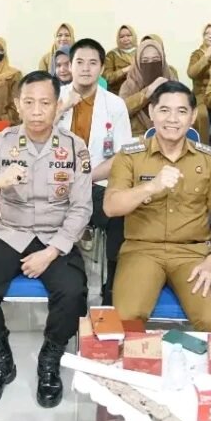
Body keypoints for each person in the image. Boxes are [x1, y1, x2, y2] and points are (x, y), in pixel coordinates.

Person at [0, 71, 92, 409]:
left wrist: (51, 253)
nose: (36, 111)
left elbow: (81, 208)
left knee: (73, 290)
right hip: (12, 233)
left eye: (45, 103)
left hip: (56, 235)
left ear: (57, 106)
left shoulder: (75, 148)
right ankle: (0, 358)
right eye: (29, 102)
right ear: (17, 104)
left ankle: (50, 358)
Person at [104, 81, 211, 331]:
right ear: (152, 112)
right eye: (164, 110)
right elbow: (111, 207)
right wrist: (150, 187)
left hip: (193, 254)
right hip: (141, 250)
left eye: (181, 111)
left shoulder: (208, 160)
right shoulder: (130, 155)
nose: (172, 119)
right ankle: (137, 367)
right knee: (127, 318)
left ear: (193, 116)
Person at [56, 39, 133, 303]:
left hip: (96, 184)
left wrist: (85, 179)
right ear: (70, 66)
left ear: (101, 68)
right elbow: (34, 138)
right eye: (79, 62)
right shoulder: (55, 97)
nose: (85, 69)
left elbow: (122, 156)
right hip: (55, 186)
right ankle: (68, 289)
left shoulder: (115, 105)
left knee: (120, 216)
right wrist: (61, 108)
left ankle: (112, 293)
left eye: (92, 63)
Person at [118, 38, 175, 137]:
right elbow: (120, 111)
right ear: (137, 63)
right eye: (145, 60)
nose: (151, 64)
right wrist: (147, 92)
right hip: (137, 142)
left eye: (156, 60)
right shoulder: (129, 85)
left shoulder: (171, 79)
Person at [187, 23, 211, 142]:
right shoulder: (197, 54)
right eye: (207, 33)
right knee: (202, 116)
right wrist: (206, 56)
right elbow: (191, 73)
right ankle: (203, 148)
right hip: (201, 95)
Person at [103, 25, 137, 94]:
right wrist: (125, 70)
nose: (126, 39)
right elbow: (107, 78)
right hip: (117, 94)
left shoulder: (141, 52)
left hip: (138, 94)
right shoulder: (111, 55)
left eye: (129, 35)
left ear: (134, 36)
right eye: (122, 37)